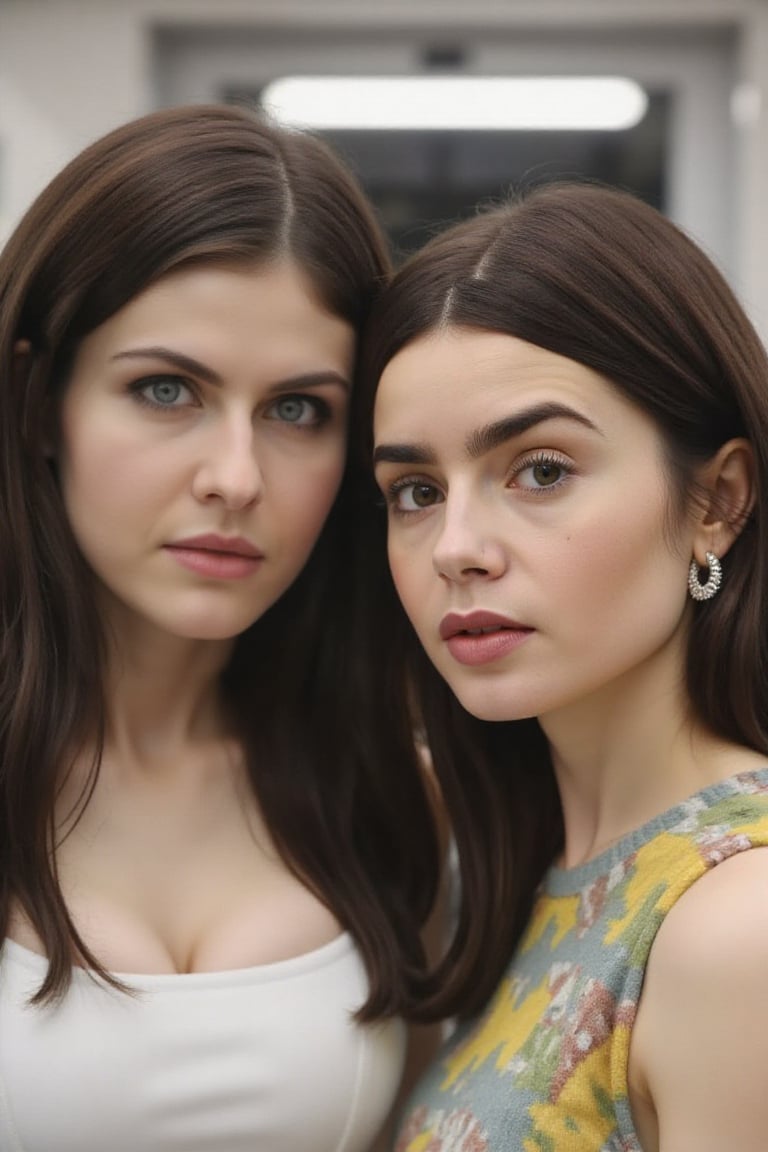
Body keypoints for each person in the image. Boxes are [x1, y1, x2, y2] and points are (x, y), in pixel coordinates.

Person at [0, 104, 444, 1152]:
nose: (235, 479)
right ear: (38, 400)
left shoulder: (388, 785)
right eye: (166, 389)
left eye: (297, 411)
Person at [360, 180, 768, 1151]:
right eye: (414, 490)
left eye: (540, 470)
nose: (456, 545)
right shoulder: (523, 863)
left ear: (716, 501)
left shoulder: (737, 927)